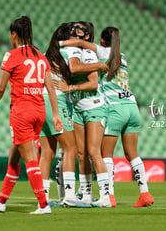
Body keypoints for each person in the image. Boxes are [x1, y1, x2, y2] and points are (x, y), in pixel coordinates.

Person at [59, 27, 154, 207]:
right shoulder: (122, 56)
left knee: (105, 154)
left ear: (102, 40)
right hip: (132, 107)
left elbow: (79, 43)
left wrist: (58, 44)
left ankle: (108, 195)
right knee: (132, 154)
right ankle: (145, 193)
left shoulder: (101, 51)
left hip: (115, 108)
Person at [0, 16, 63, 214]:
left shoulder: (11, 55)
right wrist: (55, 115)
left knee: (30, 160)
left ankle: (43, 205)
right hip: (39, 111)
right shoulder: (41, 57)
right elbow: (51, 89)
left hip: (22, 112)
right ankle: (1, 200)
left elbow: (1, 87)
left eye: (10, 34)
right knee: (14, 157)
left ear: (14, 34)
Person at [54, 22, 111, 208]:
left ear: (86, 36)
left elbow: (93, 83)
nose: (72, 34)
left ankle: (106, 196)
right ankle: (86, 194)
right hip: (78, 108)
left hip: (94, 107)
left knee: (94, 152)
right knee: (80, 154)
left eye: (77, 32)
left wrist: (70, 87)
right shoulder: (73, 51)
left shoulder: (88, 54)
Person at [38, 22, 91, 208]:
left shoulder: (46, 55)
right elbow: (75, 68)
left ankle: (43, 198)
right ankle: (69, 195)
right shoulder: (72, 51)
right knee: (71, 149)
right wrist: (99, 65)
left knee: (47, 152)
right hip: (57, 101)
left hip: (39, 101)